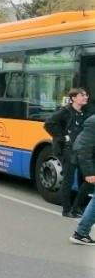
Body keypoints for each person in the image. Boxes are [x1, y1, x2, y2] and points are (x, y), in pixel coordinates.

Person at [44, 87, 91, 218]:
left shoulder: (85, 112)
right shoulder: (65, 112)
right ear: (74, 98)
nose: (86, 97)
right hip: (68, 150)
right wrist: (61, 137)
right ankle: (66, 209)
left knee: (86, 179)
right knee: (68, 180)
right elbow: (48, 124)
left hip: (82, 150)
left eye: (86, 95)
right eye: (82, 95)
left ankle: (78, 207)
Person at [69, 113, 95, 245]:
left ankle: (81, 232)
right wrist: (89, 172)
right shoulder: (92, 122)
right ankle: (81, 232)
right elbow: (84, 149)